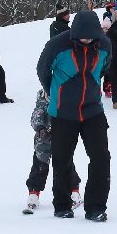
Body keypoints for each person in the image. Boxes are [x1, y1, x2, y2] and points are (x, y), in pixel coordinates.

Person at [36, 10, 112, 221]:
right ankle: (62, 205)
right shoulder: (57, 45)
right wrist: (54, 91)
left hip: (93, 110)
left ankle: (95, 207)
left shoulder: (104, 45)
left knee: (100, 157)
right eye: (82, 36)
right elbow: (43, 69)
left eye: (91, 36)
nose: (87, 39)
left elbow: (105, 68)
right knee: (62, 159)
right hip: (63, 112)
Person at [24, 86, 80, 214]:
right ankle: (34, 192)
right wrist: (40, 128)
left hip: (62, 137)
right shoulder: (42, 98)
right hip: (43, 139)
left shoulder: (67, 95)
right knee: (40, 165)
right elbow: (37, 114)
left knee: (66, 164)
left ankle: (74, 190)